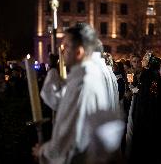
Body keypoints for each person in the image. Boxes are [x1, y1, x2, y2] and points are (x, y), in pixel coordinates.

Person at [33, 23, 123, 164]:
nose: (63, 52)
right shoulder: (84, 75)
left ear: (79, 52)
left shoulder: (83, 81)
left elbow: (67, 136)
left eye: (66, 46)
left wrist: (43, 151)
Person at [127, 52, 161, 164]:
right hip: (141, 103)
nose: (138, 62)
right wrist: (133, 89)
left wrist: (142, 92)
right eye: (134, 61)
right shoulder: (131, 72)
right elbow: (131, 86)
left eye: (140, 60)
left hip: (144, 106)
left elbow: (152, 91)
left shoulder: (148, 73)